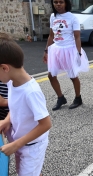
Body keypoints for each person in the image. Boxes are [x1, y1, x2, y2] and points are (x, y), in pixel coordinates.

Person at [0, 34, 52, 175]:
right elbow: (15, 106)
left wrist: (17, 144)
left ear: (5, 68)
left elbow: (46, 124)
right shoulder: (12, 82)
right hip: (20, 142)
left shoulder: (31, 92)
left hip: (31, 147)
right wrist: (6, 120)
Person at [43, 0, 89, 111]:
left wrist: (78, 53)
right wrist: (46, 50)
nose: (58, 4)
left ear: (66, 3)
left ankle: (78, 98)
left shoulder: (72, 18)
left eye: (61, 2)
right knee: (51, 75)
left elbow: (77, 37)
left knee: (73, 76)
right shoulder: (53, 16)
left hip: (69, 50)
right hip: (56, 50)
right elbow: (51, 35)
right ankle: (60, 98)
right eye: (55, 2)